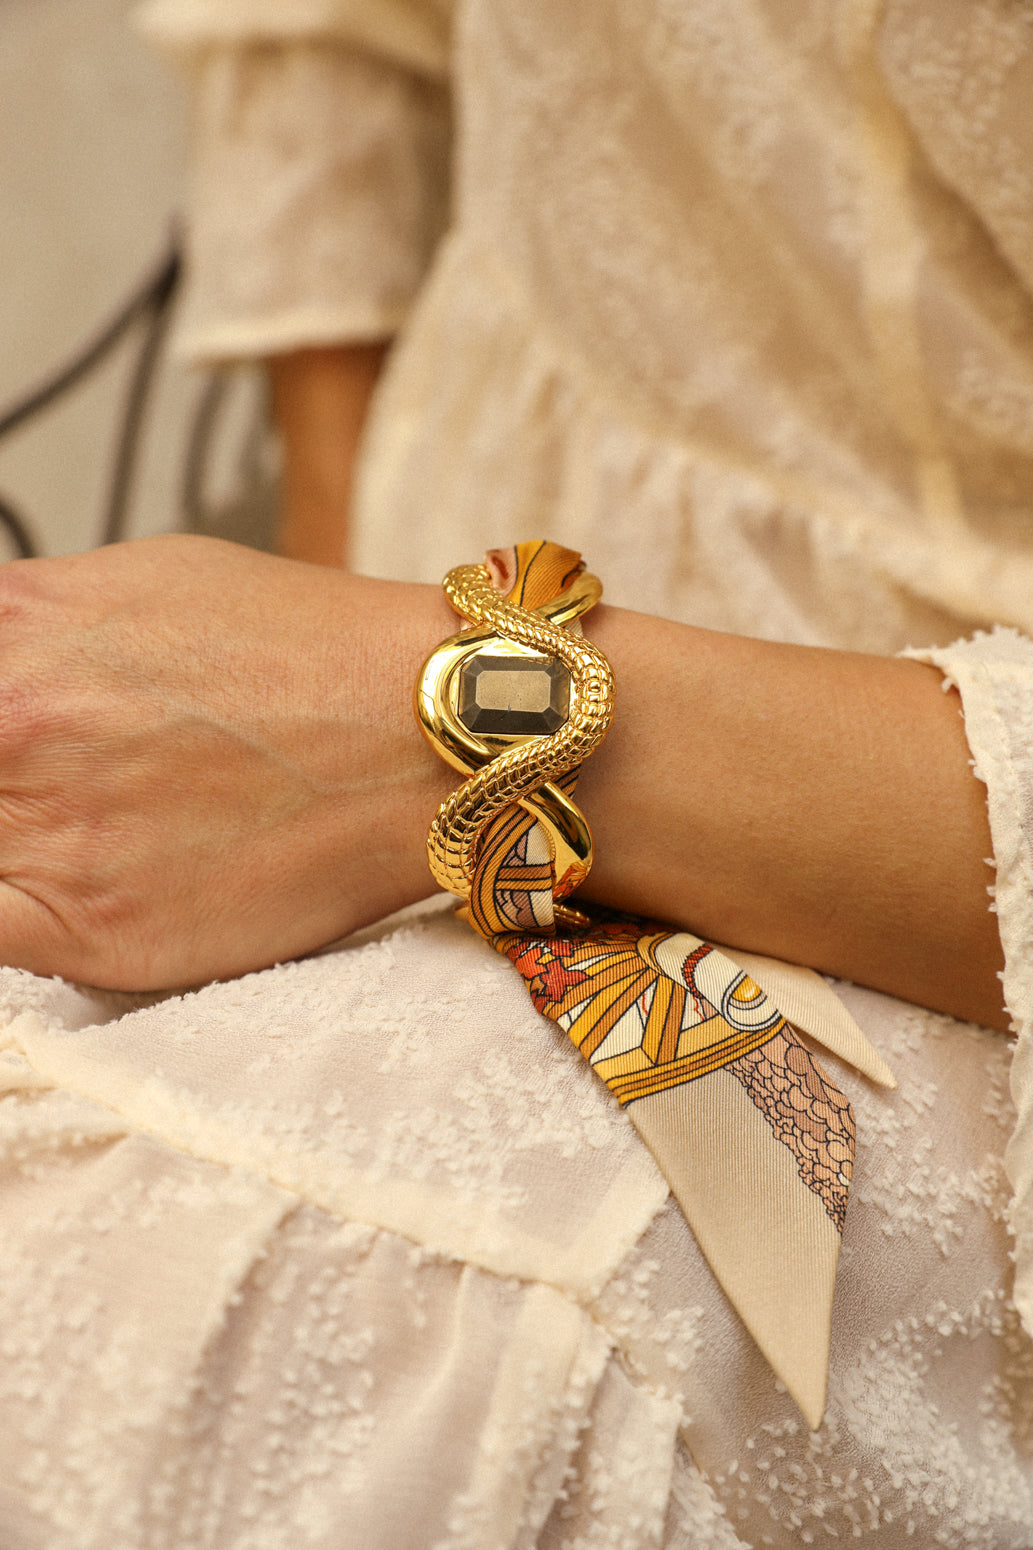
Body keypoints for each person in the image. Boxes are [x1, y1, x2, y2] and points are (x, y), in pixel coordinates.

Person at [0, 1, 1032, 1543]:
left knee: (244, 1316)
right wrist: (323, 573)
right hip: (443, 563)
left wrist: (390, 723)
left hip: (947, 881)